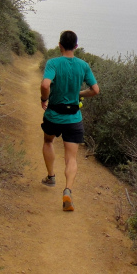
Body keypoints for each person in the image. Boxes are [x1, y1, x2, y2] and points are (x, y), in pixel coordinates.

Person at [40, 30, 99, 211]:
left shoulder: (53, 63)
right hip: (73, 117)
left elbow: (45, 84)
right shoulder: (83, 65)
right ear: (76, 46)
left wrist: (44, 99)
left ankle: (51, 177)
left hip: (53, 115)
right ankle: (68, 190)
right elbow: (95, 90)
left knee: (48, 141)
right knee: (71, 157)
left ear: (59, 45)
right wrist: (79, 94)